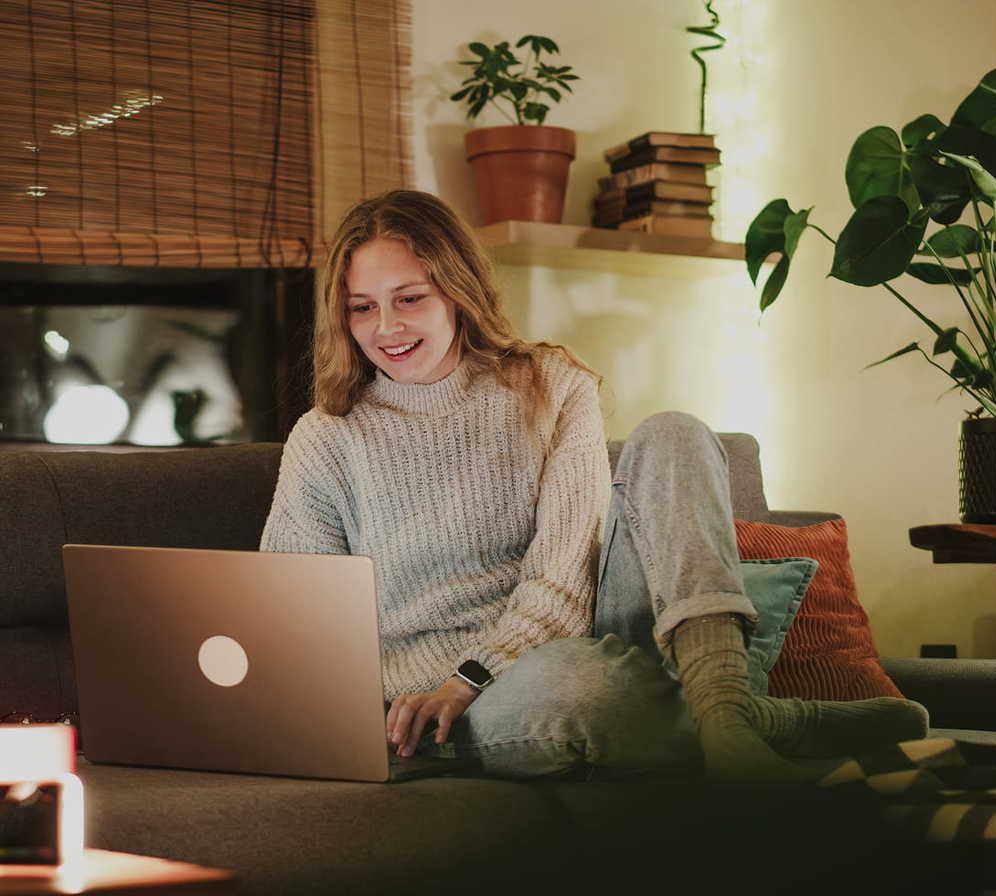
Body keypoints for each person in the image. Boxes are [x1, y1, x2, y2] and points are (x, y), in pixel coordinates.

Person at [259, 189, 927, 789]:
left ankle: (724, 713)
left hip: (566, 633)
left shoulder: (551, 384)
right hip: (462, 694)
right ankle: (765, 723)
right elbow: (296, 627)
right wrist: (441, 690)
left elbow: (563, 582)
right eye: (361, 308)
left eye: (410, 299)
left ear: (457, 291)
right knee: (584, 686)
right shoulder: (326, 439)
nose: (387, 328)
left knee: (676, 432)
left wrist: (474, 671)